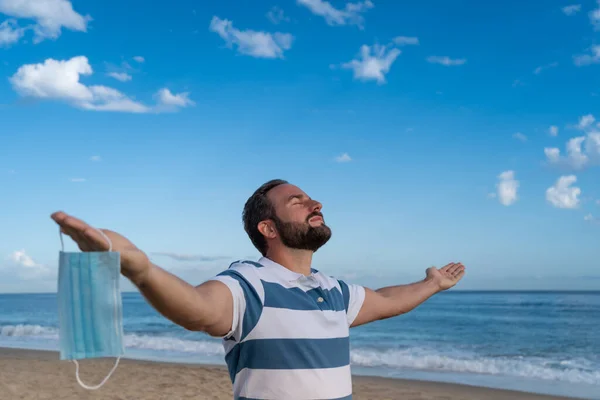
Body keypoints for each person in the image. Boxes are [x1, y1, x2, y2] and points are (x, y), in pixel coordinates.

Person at [51, 179, 465, 399]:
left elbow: (389, 300)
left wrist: (432, 283)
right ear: (268, 228)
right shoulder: (250, 283)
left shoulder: (334, 290)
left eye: (312, 198)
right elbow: (198, 309)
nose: (315, 202)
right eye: (298, 201)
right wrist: (142, 271)